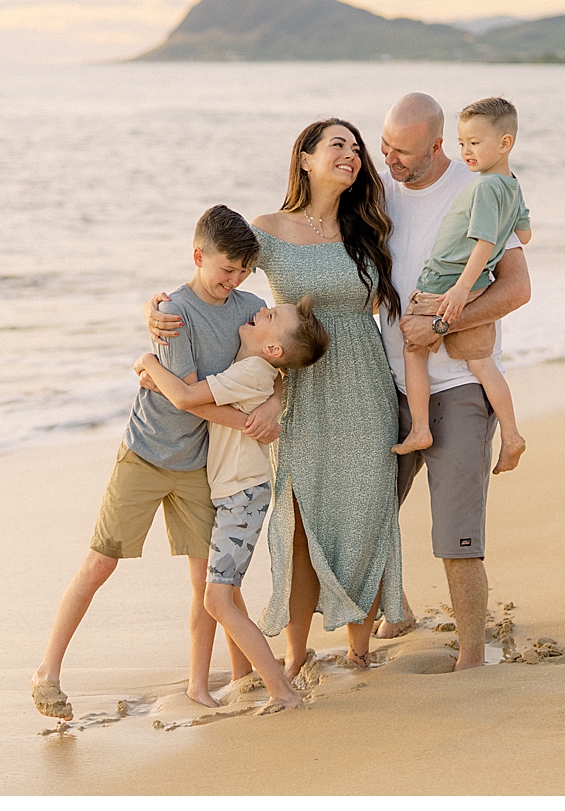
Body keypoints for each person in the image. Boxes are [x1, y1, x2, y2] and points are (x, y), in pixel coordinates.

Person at [144, 118, 406, 673]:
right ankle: (294, 657)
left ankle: (360, 654)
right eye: (339, 144)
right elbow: (215, 273)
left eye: (357, 149)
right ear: (305, 158)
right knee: (298, 521)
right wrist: (158, 307)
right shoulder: (267, 229)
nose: (352, 154)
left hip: (365, 389)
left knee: (365, 514)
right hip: (297, 391)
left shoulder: (370, 229)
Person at [30, 205, 279, 720]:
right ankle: (47, 673)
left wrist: (275, 404)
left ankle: (201, 685)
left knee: (206, 582)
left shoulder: (251, 307)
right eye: (224, 269)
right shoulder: (173, 313)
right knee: (100, 563)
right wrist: (242, 418)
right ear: (198, 256)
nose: (231, 282)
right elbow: (184, 394)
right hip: (145, 453)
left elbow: (283, 361)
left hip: (199, 465)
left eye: (241, 272)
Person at [374, 92, 532, 669]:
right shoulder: (379, 195)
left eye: (402, 153)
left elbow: (517, 289)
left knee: (457, 531)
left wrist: (441, 324)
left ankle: (471, 654)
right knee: (369, 512)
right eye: (384, 147)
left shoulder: (478, 189)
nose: (389, 161)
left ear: (437, 146)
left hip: (459, 383)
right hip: (385, 383)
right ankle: (395, 613)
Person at [133, 295, 331, 711]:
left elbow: (188, 399)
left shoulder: (250, 372)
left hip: (241, 496)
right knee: (226, 592)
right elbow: (200, 400)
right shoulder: (256, 370)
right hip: (235, 492)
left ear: (273, 349)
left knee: (216, 599)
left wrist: (149, 364)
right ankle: (248, 675)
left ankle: (282, 690)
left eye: (271, 316)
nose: (259, 312)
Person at [392, 96, 531, 474]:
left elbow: (485, 242)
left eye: (475, 143)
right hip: (477, 284)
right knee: (482, 363)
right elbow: (525, 232)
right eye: (462, 143)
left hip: (445, 282)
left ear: (505, 143)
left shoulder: (483, 188)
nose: (466, 152)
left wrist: (457, 290)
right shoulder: (511, 186)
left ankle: (420, 428)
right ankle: (513, 434)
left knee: (412, 344)